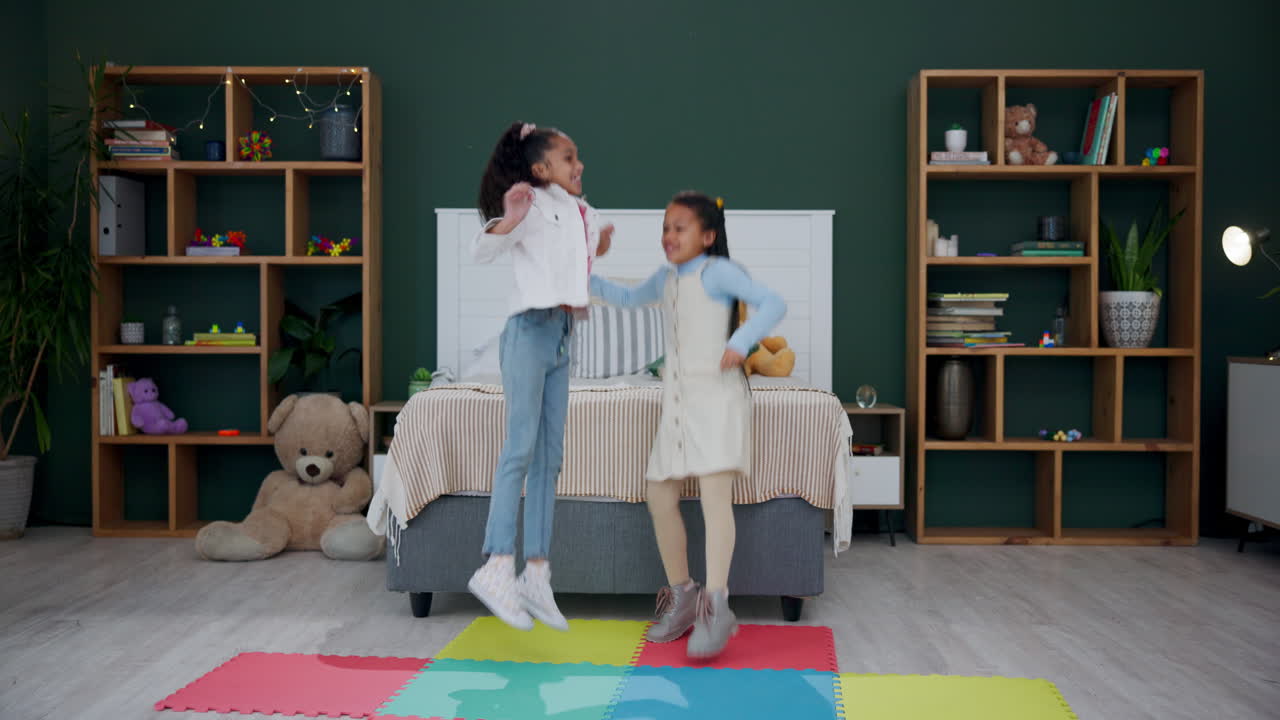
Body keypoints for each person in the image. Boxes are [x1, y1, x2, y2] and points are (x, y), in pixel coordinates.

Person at [589, 191, 785, 658]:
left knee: (716, 498)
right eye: (665, 227)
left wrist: (741, 340)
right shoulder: (666, 278)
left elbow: (773, 303)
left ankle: (718, 605)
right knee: (659, 492)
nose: (669, 236)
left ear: (708, 235)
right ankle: (683, 595)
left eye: (680, 227)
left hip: (717, 399)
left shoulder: (719, 272)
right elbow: (626, 295)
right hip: (678, 405)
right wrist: (582, 275)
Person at [468, 121, 613, 631]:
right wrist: (508, 220)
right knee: (521, 447)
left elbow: (588, 251)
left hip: (561, 335)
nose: (579, 166)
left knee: (551, 458)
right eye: (569, 158)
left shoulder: (578, 208)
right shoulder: (527, 203)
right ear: (540, 167)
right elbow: (482, 250)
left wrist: (605, 240)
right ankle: (496, 563)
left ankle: (536, 572)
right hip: (528, 332)